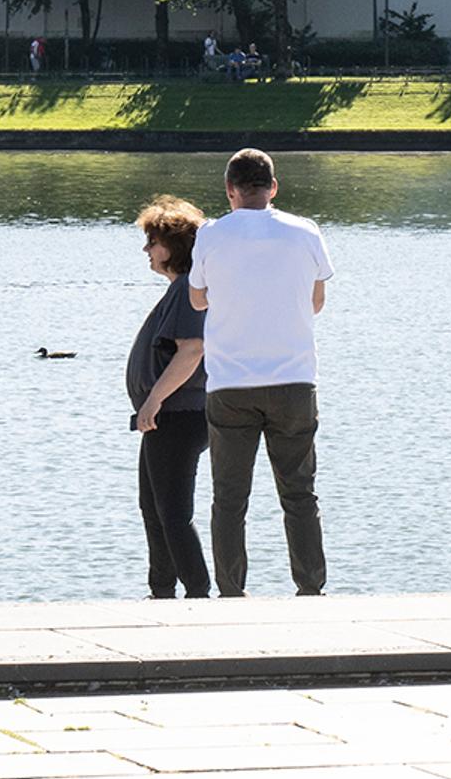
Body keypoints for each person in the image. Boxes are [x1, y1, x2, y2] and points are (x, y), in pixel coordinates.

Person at [193, 147, 332, 598]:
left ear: (230, 190)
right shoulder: (306, 231)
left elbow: (197, 299)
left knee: (229, 499)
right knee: (299, 493)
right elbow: (316, 302)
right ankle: (310, 587)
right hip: (293, 381)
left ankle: (232, 591)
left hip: (231, 384)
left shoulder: (211, 235)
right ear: (273, 187)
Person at [125, 194, 210, 599]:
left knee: (173, 514)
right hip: (164, 415)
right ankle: (161, 591)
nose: (147, 250)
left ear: (175, 246)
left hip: (179, 413)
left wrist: (154, 401)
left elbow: (192, 350)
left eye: (153, 241)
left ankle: (197, 592)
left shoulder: (188, 291)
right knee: (153, 509)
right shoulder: (179, 290)